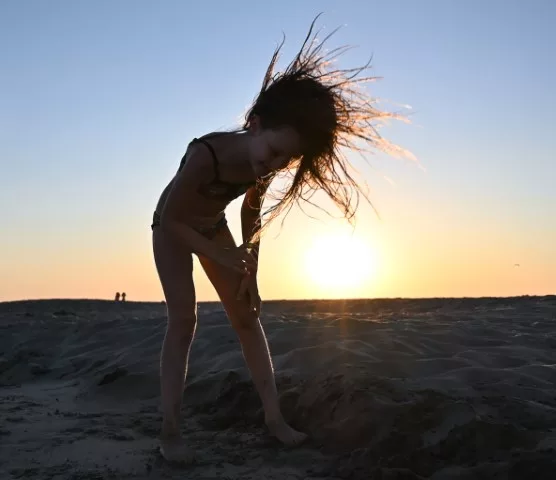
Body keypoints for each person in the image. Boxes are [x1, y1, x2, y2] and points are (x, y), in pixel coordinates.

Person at [151, 15, 407, 464]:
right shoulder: (205, 153)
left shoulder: (261, 165)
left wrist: (250, 265)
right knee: (184, 321)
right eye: (273, 152)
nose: (274, 165)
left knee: (248, 318)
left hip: (213, 228)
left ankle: (274, 418)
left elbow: (252, 209)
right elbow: (172, 219)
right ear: (254, 124)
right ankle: (170, 430)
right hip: (171, 231)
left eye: (286, 160)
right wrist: (220, 257)